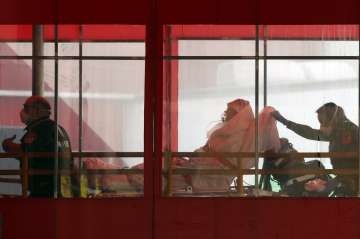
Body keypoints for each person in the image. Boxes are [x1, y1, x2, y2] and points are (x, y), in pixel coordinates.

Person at [271, 102, 359, 196]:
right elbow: (309, 132)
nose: (321, 127)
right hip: (344, 178)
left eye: (322, 122)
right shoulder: (336, 133)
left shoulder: (349, 131)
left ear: (333, 119)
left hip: (352, 178)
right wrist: (285, 122)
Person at [1, 96, 78, 197]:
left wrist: (7, 145)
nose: (23, 111)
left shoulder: (39, 130)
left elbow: (24, 152)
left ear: (36, 111)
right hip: (62, 187)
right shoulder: (59, 128)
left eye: (26, 108)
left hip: (45, 189)